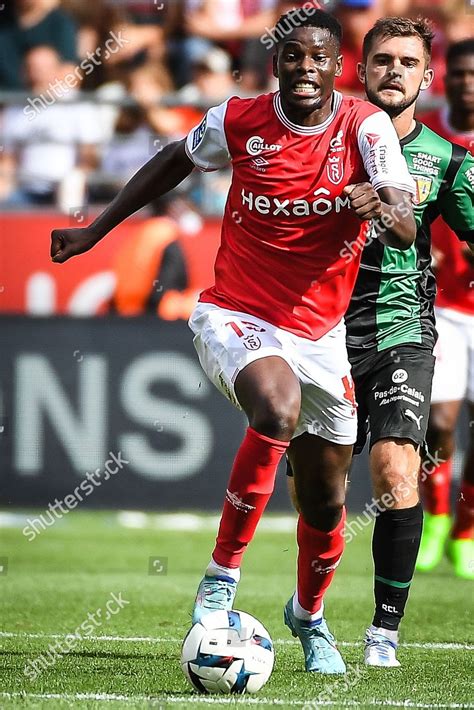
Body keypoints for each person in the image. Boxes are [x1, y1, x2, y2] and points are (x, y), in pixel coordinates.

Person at [50, 9, 416, 675]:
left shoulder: (364, 126)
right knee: (274, 408)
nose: (305, 68)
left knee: (326, 496)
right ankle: (221, 577)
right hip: (236, 312)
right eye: (292, 56)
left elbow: (404, 224)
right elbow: (172, 161)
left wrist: (382, 208)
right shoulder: (239, 120)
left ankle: (308, 615)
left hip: (321, 334)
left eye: (318, 59)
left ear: (339, 67)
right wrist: (95, 231)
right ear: (275, 62)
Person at [286, 17, 474, 667]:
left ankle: (383, 633)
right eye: (382, 60)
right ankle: (308, 611)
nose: (394, 71)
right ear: (359, 71)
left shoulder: (448, 161)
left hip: (403, 332)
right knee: (320, 489)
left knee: (397, 470)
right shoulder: (316, 142)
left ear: (427, 76)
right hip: (321, 332)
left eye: (408, 62)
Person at [416, 39, 474, 580]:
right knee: (441, 421)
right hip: (447, 304)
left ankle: (465, 528)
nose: (466, 82)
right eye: (458, 73)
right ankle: (435, 516)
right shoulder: (429, 137)